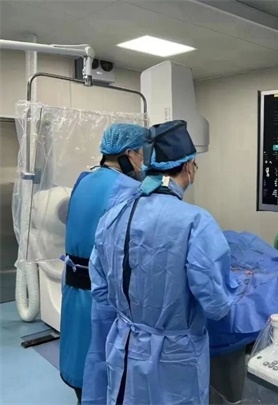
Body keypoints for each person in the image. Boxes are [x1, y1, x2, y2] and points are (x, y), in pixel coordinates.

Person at [86, 120, 238, 404]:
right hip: (174, 360)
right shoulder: (195, 222)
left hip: (124, 347)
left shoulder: (114, 215)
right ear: (189, 166)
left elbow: (100, 289)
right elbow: (217, 304)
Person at [59, 123, 147, 405]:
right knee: (100, 361)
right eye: (142, 154)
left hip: (73, 283)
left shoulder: (84, 180)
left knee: (77, 353)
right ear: (130, 154)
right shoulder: (129, 188)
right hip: (102, 292)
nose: (143, 161)